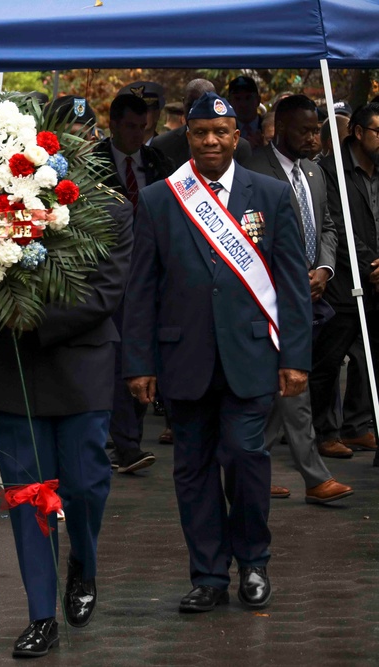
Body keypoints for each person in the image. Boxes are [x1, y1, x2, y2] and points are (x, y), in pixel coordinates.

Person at [123, 92, 312, 614]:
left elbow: (292, 283)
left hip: (251, 356)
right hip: (183, 359)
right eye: (201, 132)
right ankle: (208, 574)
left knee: (248, 457)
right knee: (193, 468)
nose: (210, 140)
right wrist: (138, 363)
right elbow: (141, 287)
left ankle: (253, 562)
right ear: (189, 136)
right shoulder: (162, 198)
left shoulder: (269, 195)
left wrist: (295, 356)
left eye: (220, 132)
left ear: (238, 136)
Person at [0, 196, 133, 658]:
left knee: (85, 486)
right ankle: (41, 615)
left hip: (80, 366)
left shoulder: (111, 210)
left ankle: (82, 562)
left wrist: (31, 319)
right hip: (14, 369)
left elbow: (107, 291)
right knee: (27, 496)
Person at [244, 94, 353, 503]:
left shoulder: (315, 172)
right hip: (269, 293)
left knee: (283, 385)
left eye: (317, 130)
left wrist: (324, 269)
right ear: (279, 129)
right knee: (295, 381)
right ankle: (314, 477)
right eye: (305, 130)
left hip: (311, 292)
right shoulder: (254, 169)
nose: (314, 138)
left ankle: (250, 466)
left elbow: (327, 225)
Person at [94, 93, 173, 474]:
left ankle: (129, 439)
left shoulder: (158, 162)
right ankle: (122, 443)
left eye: (145, 128)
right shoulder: (92, 162)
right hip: (108, 271)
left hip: (151, 269)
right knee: (117, 356)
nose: (139, 135)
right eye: (131, 127)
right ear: (112, 124)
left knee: (144, 353)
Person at [314, 102, 379, 467]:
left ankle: (357, 423)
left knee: (370, 358)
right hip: (343, 280)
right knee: (330, 356)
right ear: (358, 132)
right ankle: (325, 432)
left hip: (376, 281)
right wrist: (371, 265)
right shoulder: (331, 170)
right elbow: (335, 226)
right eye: (378, 132)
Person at [151, 79, 253, 169]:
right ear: (183, 102)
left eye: (202, 106)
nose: (195, 112)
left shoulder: (240, 147)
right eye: (191, 105)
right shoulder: (161, 144)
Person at [229, 76, 265, 148]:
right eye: (237, 99)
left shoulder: (268, 128)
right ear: (230, 103)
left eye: (248, 98)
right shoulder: (227, 130)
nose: (243, 104)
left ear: (258, 100)